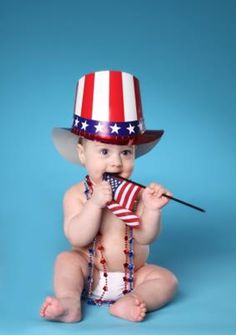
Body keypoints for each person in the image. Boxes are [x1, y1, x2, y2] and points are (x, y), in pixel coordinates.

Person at [40, 70, 178, 323]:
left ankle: (132, 300)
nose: (116, 162)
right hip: (90, 273)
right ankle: (70, 303)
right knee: (67, 261)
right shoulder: (76, 195)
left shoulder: (136, 194)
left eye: (126, 152)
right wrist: (94, 204)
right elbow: (77, 236)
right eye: (104, 151)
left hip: (133, 273)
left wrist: (153, 209)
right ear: (82, 154)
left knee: (167, 279)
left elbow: (145, 236)